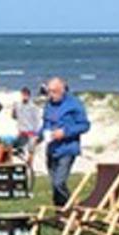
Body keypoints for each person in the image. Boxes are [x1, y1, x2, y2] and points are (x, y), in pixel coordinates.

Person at [38, 76, 90, 207]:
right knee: (54, 185)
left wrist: (65, 132)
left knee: (59, 183)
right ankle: (60, 212)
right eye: (49, 91)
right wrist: (38, 136)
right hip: (52, 149)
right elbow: (45, 124)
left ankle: (74, 206)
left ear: (62, 89)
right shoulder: (49, 105)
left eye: (54, 91)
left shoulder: (74, 104)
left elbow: (84, 125)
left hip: (67, 148)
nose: (51, 95)